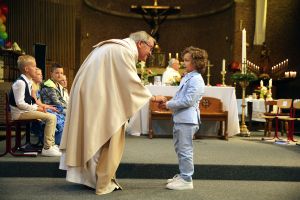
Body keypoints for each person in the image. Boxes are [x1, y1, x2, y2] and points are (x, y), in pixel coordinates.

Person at [59, 31, 166, 195]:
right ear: (140, 44)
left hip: (91, 94)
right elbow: (130, 82)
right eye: (150, 48)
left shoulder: (113, 47)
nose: (150, 53)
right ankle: (102, 181)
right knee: (111, 130)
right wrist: (152, 97)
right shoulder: (124, 51)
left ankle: (89, 178)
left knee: (92, 133)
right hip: (97, 97)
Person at [160, 46, 208, 190]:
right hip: (181, 118)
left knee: (185, 149)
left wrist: (168, 104)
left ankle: (187, 179)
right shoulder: (188, 77)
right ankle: (182, 175)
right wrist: (168, 104)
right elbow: (180, 97)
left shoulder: (197, 80)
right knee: (180, 148)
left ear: (196, 62)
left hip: (188, 120)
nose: (183, 63)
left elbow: (188, 101)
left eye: (187, 60)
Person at [9, 55, 61, 157]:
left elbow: (29, 101)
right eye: (34, 66)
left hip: (23, 111)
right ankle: (47, 148)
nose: (36, 68)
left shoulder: (28, 82)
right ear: (27, 69)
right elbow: (20, 104)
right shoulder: (20, 83)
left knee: (51, 115)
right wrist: (36, 108)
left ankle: (50, 144)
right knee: (51, 117)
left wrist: (40, 108)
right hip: (19, 113)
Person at [40, 63, 67, 145]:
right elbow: (57, 102)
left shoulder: (57, 84)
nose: (60, 75)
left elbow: (62, 100)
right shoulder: (49, 85)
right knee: (73, 114)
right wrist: (70, 108)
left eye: (61, 73)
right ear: (51, 73)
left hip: (57, 108)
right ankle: (61, 140)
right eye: (57, 73)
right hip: (51, 109)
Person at [31, 68, 57, 145]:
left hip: (37, 107)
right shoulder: (32, 86)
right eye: (38, 74)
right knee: (54, 114)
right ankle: (48, 141)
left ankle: (53, 140)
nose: (41, 76)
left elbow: (39, 102)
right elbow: (35, 102)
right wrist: (45, 107)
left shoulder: (37, 85)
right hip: (33, 109)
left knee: (55, 111)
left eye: (41, 74)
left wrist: (47, 106)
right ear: (32, 76)